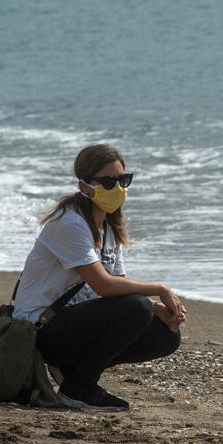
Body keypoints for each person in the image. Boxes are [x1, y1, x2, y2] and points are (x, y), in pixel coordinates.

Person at [12, 144, 186, 411]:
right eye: (108, 182)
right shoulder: (70, 223)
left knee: (165, 336)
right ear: (85, 186)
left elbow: (121, 288)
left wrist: (158, 310)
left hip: (73, 324)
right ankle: (79, 388)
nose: (118, 188)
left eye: (123, 180)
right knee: (136, 307)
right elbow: (104, 286)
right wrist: (160, 289)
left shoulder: (108, 227)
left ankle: (76, 372)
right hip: (39, 329)